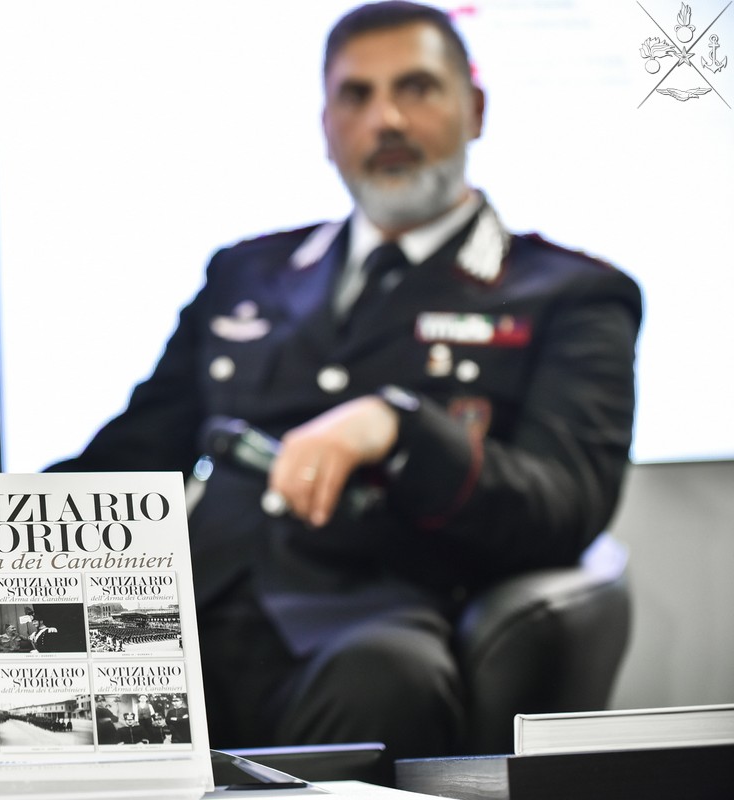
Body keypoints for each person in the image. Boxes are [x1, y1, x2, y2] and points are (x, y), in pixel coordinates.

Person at [49, 1, 642, 758]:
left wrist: (400, 426)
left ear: (475, 109)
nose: (385, 119)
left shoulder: (569, 294)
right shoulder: (248, 271)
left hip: (372, 618)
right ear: (326, 126)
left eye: (417, 88)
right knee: (4, 659)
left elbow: (566, 502)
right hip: (191, 611)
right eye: (356, 96)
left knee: (389, 680)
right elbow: (134, 453)